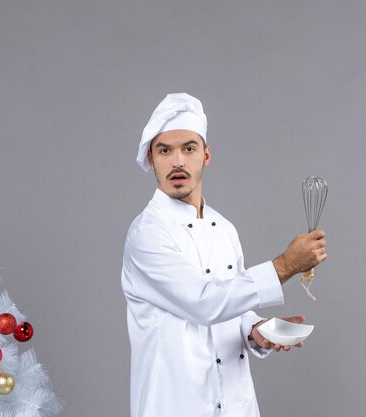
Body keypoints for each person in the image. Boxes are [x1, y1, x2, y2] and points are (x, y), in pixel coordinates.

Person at [121, 93, 327, 417]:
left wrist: (256, 330)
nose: (177, 161)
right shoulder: (147, 233)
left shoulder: (224, 228)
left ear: (206, 154)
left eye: (188, 148)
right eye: (165, 150)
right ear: (151, 158)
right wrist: (286, 266)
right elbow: (204, 302)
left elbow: (234, 310)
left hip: (235, 406)